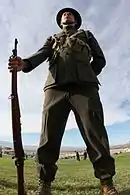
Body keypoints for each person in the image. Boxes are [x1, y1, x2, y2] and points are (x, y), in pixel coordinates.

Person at [8, 7, 119, 195]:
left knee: (95, 133)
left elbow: (100, 60)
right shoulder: (52, 39)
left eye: (70, 14)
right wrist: (24, 64)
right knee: (48, 135)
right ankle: (45, 184)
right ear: (60, 22)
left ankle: (106, 183)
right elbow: (41, 55)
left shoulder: (86, 35)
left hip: (84, 88)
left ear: (76, 20)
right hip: (55, 88)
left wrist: (87, 75)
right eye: (63, 15)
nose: (67, 15)